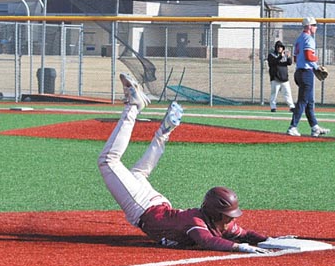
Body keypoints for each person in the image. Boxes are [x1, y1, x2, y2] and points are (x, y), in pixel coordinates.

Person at [97, 73, 272, 253]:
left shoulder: (213, 222)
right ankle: (134, 107)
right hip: (143, 207)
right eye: (227, 216)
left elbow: (245, 234)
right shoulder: (196, 222)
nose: (231, 220)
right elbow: (208, 242)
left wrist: (270, 240)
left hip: (153, 206)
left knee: (138, 173)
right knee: (108, 161)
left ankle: (163, 133)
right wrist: (241, 248)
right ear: (215, 214)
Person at [286, 17, 330, 137]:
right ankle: (292, 127)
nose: (316, 27)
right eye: (315, 25)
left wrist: (314, 66)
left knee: (309, 101)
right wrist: (316, 62)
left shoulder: (299, 38)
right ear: (309, 26)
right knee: (303, 101)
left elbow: (295, 58)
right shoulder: (309, 39)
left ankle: (314, 127)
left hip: (299, 71)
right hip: (306, 73)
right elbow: (309, 56)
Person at [267, 40, 295, 112]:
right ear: (276, 48)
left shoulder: (284, 55)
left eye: (281, 47)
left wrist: (288, 57)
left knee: (287, 93)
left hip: (284, 78)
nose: (280, 48)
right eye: (278, 47)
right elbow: (274, 62)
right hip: (275, 78)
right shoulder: (271, 55)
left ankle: (291, 107)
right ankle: (273, 107)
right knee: (274, 94)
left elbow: (289, 63)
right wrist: (280, 57)